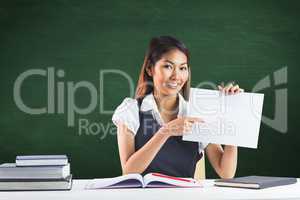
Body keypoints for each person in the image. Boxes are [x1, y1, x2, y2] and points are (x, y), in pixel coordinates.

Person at [112, 36, 243, 178]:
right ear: (150, 69)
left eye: (182, 68)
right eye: (168, 66)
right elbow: (128, 171)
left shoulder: (196, 112)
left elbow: (226, 172)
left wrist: (232, 111)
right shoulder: (130, 110)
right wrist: (166, 131)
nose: (176, 76)